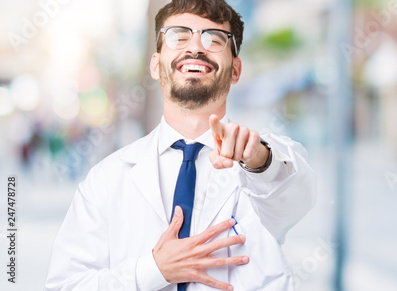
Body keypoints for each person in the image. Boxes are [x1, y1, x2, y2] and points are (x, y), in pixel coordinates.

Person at [44, 0, 316, 290]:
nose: (196, 47)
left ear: (235, 70)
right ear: (155, 65)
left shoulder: (264, 159)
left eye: (214, 38)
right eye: (179, 36)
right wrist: (153, 270)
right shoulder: (106, 179)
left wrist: (260, 161)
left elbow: (294, 196)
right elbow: (65, 285)